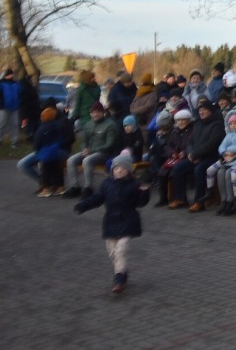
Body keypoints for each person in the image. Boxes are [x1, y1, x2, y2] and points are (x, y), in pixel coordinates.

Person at [74, 153, 150, 293]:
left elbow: (140, 203)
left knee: (121, 249)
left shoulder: (133, 185)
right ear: (112, 170)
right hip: (111, 221)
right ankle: (123, 271)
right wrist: (83, 205)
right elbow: (97, 199)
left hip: (128, 220)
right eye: (116, 168)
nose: (119, 170)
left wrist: (145, 193)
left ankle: (119, 278)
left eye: (122, 168)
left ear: (128, 170)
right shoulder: (106, 184)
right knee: (112, 251)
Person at [63, 101, 119, 199]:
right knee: (71, 160)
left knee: (87, 160)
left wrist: (91, 151)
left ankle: (88, 188)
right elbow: (84, 141)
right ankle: (75, 187)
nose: (95, 114)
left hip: (104, 153)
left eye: (97, 112)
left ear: (103, 113)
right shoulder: (88, 125)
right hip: (89, 151)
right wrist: (84, 148)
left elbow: (109, 144)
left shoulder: (110, 125)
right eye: (92, 112)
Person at [182, 101, 226, 213]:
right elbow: (189, 142)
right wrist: (191, 154)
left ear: (210, 111)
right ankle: (180, 198)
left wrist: (196, 154)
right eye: (200, 110)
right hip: (195, 156)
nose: (201, 112)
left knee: (199, 170)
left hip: (211, 157)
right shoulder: (197, 123)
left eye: (204, 110)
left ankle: (199, 202)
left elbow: (212, 143)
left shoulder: (217, 124)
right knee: (178, 168)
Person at [205, 109, 236, 216]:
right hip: (227, 159)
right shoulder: (228, 135)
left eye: (235, 123)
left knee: (231, 175)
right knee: (217, 172)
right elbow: (221, 146)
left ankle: (234, 200)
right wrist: (225, 152)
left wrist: (230, 149)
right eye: (231, 124)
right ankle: (223, 200)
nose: (233, 125)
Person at [17, 105, 64, 197]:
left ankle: (45, 188)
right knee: (56, 170)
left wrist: (37, 148)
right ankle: (59, 188)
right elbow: (61, 138)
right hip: (55, 152)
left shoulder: (42, 128)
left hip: (44, 153)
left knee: (44, 171)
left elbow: (37, 142)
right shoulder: (56, 126)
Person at [0, 68, 21, 149]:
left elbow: (19, 94)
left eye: (11, 74)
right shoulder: (0, 83)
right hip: (3, 107)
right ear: (6, 75)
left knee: (14, 125)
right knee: (1, 125)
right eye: (10, 74)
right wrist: (0, 103)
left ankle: (14, 141)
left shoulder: (16, 83)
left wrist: (19, 102)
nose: (11, 75)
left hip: (14, 107)